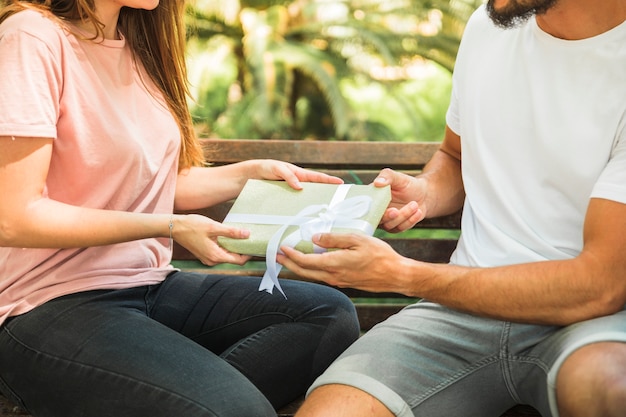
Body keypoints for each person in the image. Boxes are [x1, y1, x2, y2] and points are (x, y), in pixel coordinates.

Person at [0, 0, 361, 415]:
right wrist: (169, 225)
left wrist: (250, 173)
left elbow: (160, 180)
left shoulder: (139, 45)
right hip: (49, 303)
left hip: (151, 284)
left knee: (328, 315)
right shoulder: (32, 36)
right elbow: (15, 216)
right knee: (234, 409)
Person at [278, 1, 626, 416]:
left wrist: (403, 275)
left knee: (608, 385)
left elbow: (598, 286)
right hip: (458, 312)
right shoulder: (489, 27)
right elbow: (456, 155)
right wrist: (426, 192)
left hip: (589, 325)